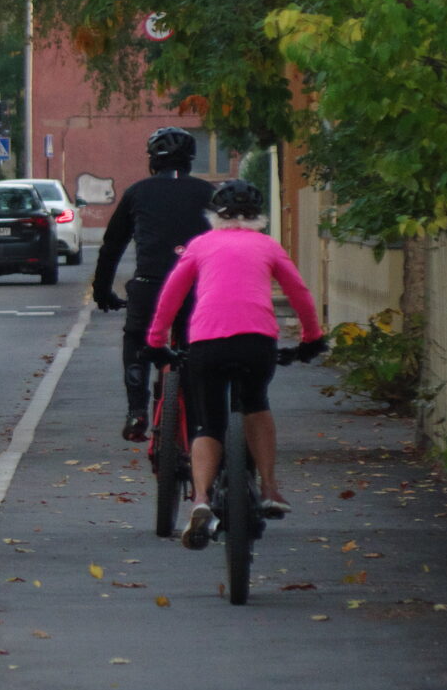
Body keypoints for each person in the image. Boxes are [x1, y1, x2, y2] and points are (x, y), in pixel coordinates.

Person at [146, 179, 325, 543]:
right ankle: (271, 489)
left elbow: (171, 294)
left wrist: (155, 341)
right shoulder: (268, 246)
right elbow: (300, 294)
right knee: (256, 402)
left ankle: (200, 500)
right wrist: (311, 340)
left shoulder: (201, 245)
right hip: (256, 342)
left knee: (208, 423)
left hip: (207, 343)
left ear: (215, 215)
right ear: (259, 217)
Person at [93, 127, 217, 441]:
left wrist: (103, 291)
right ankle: (201, 416)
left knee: (137, 339)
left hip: (151, 286)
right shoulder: (210, 194)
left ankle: (136, 411)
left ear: (153, 161)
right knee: (198, 347)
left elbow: (112, 247)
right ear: (190, 160)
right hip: (197, 289)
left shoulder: (138, 192)